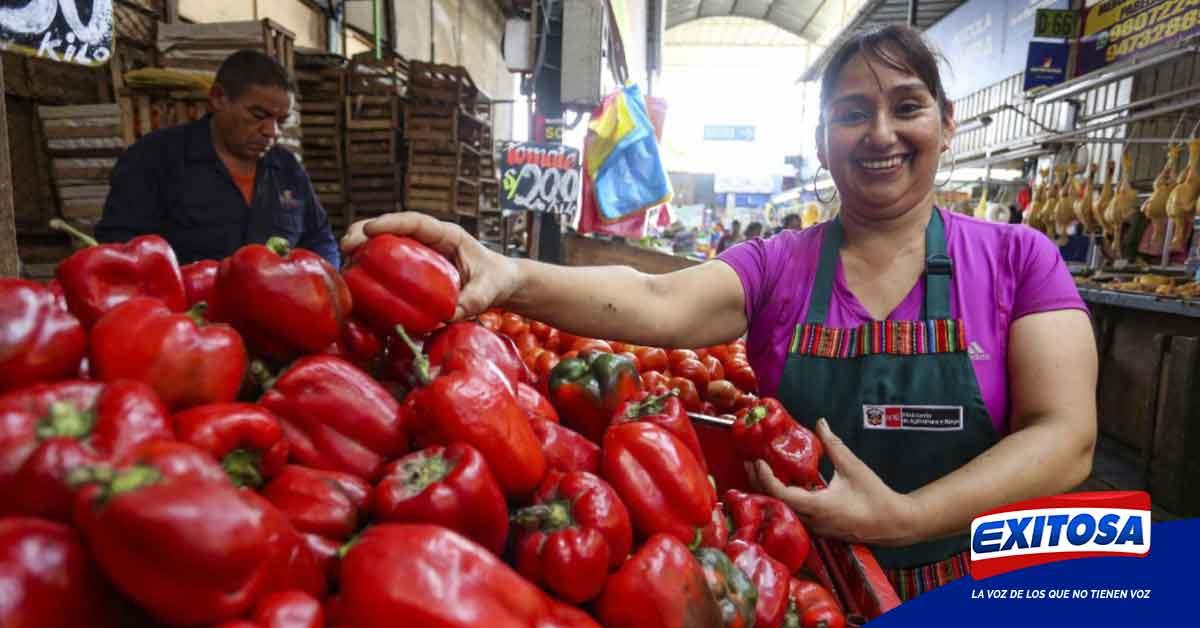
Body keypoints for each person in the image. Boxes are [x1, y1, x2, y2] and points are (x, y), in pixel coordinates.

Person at [341, 24, 1096, 601]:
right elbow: (658, 299)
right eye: (853, 113)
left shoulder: (1019, 259)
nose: (881, 134)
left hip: (972, 582)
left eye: (908, 107)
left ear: (947, 122)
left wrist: (904, 516)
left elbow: (1065, 439)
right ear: (823, 137)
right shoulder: (781, 265)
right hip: (803, 582)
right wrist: (503, 274)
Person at [95, 50, 340, 266]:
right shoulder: (153, 160)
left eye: (281, 121)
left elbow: (319, 238)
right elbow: (121, 250)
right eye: (258, 115)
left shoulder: (287, 169)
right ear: (218, 98)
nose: (271, 131)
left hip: (278, 309)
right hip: (187, 314)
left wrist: (324, 282)